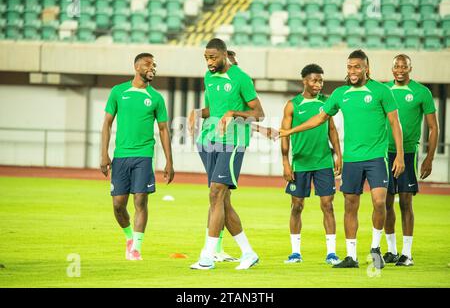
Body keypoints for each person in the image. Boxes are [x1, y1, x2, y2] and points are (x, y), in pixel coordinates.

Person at [279, 50, 405, 269]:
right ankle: (351, 256)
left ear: (367, 68)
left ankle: (375, 247)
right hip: (352, 160)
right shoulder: (340, 94)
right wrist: (290, 131)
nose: (353, 71)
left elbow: (395, 123)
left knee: (379, 202)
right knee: (350, 206)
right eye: (349, 67)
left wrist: (400, 155)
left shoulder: (381, 91)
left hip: (376, 157)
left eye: (357, 66)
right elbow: (319, 118)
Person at [191, 49, 278, 263]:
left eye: (212, 57)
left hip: (232, 143)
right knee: (222, 200)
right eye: (206, 58)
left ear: (223, 55)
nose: (209, 62)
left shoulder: (241, 78)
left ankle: (207, 257)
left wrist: (234, 113)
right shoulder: (209, 77)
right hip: (208, 141)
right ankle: (248, 253)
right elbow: (214, 109)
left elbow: (259, 114)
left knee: (215, 194)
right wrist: (196, 113)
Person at [100, 53, 175, 261]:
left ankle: (136, 248)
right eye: (148, 64)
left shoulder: (156, 98)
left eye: (154, 65)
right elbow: (106, 123)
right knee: (118, 204)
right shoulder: (118, 92)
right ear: (136, 67)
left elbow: (163, 130)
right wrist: (103, 154)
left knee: (140, 200)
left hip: (144, 155)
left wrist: (169, 161)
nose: (152, 68)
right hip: (121, 156)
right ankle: (129, 238)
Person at [281, 64, 342, 265]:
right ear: (304, 81)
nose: (318, 84)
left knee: (328, 205)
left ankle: (331, 253)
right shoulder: (293, 104)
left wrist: (338, 155)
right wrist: (285, 163)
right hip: (300, 163)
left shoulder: (326, 102)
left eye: (321, 80)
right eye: (315, 80)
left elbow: (331, 129)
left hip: (323, 162)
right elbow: (284, 135)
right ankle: (295, 253)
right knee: (296, 206)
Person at [383, 54, 439, 266]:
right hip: (384, 152)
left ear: (410, 68)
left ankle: (407, 254)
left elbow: (434, 127)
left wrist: (429, 158)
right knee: (386, 202)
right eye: (396, 66)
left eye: (403, 66)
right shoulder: (384, 90)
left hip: (408, 153)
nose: (399, 69)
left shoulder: (421, 92)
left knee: (406, 201)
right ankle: (391, 250)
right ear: (392, 68)